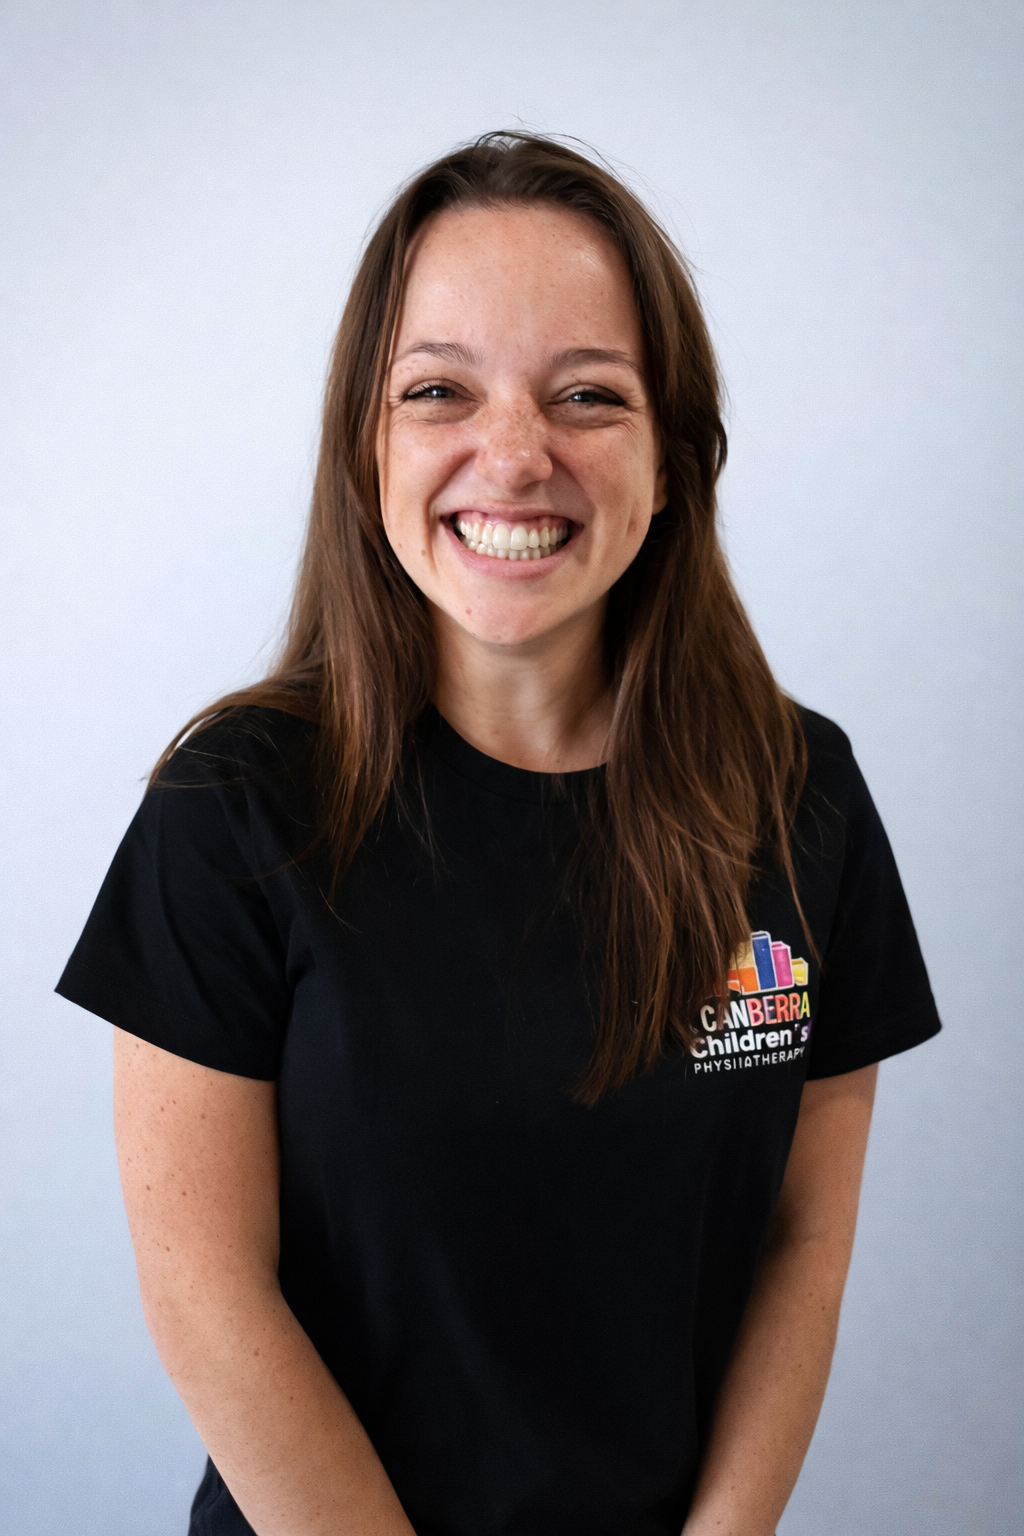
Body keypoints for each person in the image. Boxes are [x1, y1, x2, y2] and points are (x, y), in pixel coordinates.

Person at [56, 132, 940, 1536]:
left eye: (588, 395)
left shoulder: (801, 794)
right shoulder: (232, 807)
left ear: (675, 459)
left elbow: (801, 1241)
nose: (516, 455)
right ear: (368, 447)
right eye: (438, 391)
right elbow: (205, 1291)